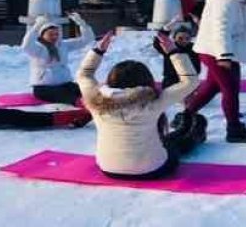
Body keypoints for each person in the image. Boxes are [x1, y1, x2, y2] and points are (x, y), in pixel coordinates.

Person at [76, 31, 207, 180]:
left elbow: (84, 74)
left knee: (164, 141)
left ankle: (185, 128)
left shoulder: (96, 101)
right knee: (173, 145)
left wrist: (98, 50)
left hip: (108, 168)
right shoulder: (152, 101)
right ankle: (196, 133)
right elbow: (190, 81)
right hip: (152, 169)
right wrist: (173, 52)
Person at [173, 0, 246, 143]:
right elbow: (220, 29)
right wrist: (224, 56)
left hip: (222, 50)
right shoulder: (226, 0)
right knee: (230, 88)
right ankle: (234, 129)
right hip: (216, 51)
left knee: (213, 86)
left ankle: (185, 116)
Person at [21, 12, 95, 106]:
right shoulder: (37, 48)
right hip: (44, 88)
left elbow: (87, 40)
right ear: (42, 35)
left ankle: (102, 100)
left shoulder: (63, 45)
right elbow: (25, 45)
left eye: (56, 34)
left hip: (65, 84)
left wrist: (81, 24)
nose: (54, 37)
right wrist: (37, 25)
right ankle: (82, 104)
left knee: (87, 90)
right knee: (68, 97)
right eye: (50, 34)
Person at [153, 18, 201, 89]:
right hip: (171, 80)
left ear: (190, 39)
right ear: (174, 38)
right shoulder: (170, 47)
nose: (184, 41)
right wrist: (166, 28)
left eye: (187, 38)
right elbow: (157, 42)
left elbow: (197, 69)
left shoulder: (193, 49)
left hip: (188, 81)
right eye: (180, 38)